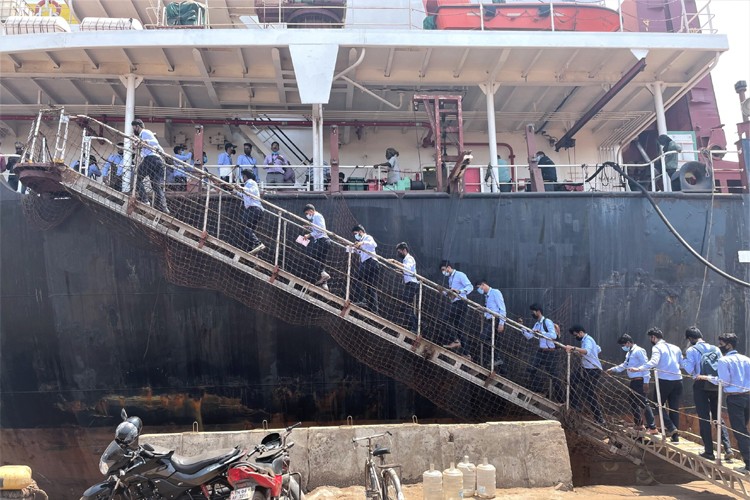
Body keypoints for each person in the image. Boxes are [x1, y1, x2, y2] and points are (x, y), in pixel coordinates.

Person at [699, 333, 750, 474]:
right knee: (744, 430)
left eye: (721, 344)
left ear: (729, 345)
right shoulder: (747, 359)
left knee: (740, 432)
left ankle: (749, 465)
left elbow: (724, 381)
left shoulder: (724, 361)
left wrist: (706, 377)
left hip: (734, 399)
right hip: (748, 397)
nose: (719, 346)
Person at [682, 326, 733, 461]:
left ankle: (709, 451)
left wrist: (683, 360)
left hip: (701, 384)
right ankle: (728, 448)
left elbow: (689, 369)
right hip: (716, 384)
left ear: (690, 339)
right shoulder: (715, 348)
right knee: (718, 417)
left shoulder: (691, 350)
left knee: (704, 418)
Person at [629, 327, 683, 442]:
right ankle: (675, 435)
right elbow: (682, 364)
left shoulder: (657, 347)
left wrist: (638, 369)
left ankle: (671, 427)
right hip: (678, 380)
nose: (650, 340)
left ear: (654, 337)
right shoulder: (676, 348)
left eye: (651, 338)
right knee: (674, 408)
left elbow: (653, 362)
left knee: (657, 405)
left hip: (664, 380)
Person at [607, 334, 657, 434]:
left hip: (640, 381)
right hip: (634, 381)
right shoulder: (629, 353)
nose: (623, 347)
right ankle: (639, 424)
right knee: (632, 401)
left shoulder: (639, 351)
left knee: (643, 402)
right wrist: (613, 370)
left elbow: (646, 365)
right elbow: (624, 365)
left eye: (623, 345)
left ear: (629, 343)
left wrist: (646, 382)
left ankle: (652, 427)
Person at [565, 325, 605, 425]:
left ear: (581, 332)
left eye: (576, 335)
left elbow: (587, 351)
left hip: (592, 370)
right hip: (585, 369)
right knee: (571, 380)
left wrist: (573, 348)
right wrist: (578, 352)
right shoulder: (586, 340)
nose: (576, 337)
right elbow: (598, 349)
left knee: (590, 395)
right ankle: (575, 405)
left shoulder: (588, 340)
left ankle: (599, 419)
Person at [523, 304, 561, 399]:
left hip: (549, 353)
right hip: (540, 352)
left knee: (554, 376)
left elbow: (553, 335)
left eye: (533, 311)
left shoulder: (547, 322)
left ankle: (561, 399)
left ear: (538, 311)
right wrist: (522, 327)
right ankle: (539, 390)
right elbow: (529, 336)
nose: (532, 313)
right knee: (531, 369)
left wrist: (541, 333)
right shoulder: (536, 324)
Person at [131, 119, 169, 214]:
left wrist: (143, 142)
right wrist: (137, 144)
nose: (133, 130)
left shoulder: (145, 132)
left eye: (134, 128)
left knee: (136, 178)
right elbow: (160, 150)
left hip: (150, 159)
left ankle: (145, 200)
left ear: (137, 127)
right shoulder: (144, 135)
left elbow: (154, 142)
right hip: (159, 162)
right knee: (156, 185)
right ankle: (164, 208)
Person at [439, 261, 472, 356]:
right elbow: (452, 294)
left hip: (460, 303)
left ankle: (455, 340)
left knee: (444, 319)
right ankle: (467, 354)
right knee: (459, 329)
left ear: (448, 267)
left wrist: (459, 291)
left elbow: (470, 287)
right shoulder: (450, 279)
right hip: (457, 303)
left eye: (443, 270)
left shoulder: (460, 275)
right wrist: (444, 292)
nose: (443, 272)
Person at [474, 279, 506, 370]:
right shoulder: (486, 296)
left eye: (479, 288)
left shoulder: (495, 292)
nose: (479, 290)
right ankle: (502, 367)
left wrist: (501, 323)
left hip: (495, 320)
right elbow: (491, 308)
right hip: (489, 320)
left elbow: (502, 308)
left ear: (483, 285)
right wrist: (483, 310)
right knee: (493, 342)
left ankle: (497, 358)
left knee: (483, 338)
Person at [387, 242, 418, 333]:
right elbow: (407, 270)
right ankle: (417, 325)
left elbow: (408, 268)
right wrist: (400, 270)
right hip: (409, 284)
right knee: (405, 306)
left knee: (405, 306)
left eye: (399, 251)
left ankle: (415, 327)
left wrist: (395, 262)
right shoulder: (405, 260)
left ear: (404, 250)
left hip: (412, 284)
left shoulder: (409, 258)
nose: (398, 253)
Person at [350, 225, 379, 313]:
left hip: (369, 262)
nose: (355, 236)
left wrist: (361, 243)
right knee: (370, 287)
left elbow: (374, 244)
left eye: (356, 234)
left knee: (356, 278)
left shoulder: (367, 237)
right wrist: (354, 248)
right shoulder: (361, 241)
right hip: (371, 263)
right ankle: (374, 309)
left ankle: (361, 299)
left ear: (360, 231)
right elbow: (359, 252)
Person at [302, 204, 331, 290]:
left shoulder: (317, 216)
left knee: (309, 255)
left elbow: (321, 229)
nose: (307, 215)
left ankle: (323, 274)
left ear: (311, 211)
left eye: (307, 213)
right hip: (324, 241)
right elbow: (317, 228)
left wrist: (309, 235)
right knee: (320, 260)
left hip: (322, 240)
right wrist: (310, 227)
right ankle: (324, 283)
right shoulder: (315, 218)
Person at [239, 169, 265, 255]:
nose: (242, 178)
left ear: (245, 176)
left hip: (254, 209)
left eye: (243, 176)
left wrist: (241, 188)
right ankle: (251, 248)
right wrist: (235, 191)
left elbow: (252, 192)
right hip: (256, 210)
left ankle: (258, 243)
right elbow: (244, 194)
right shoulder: (248, 185)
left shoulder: (251, 182)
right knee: (249, 230)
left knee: (244, 226)